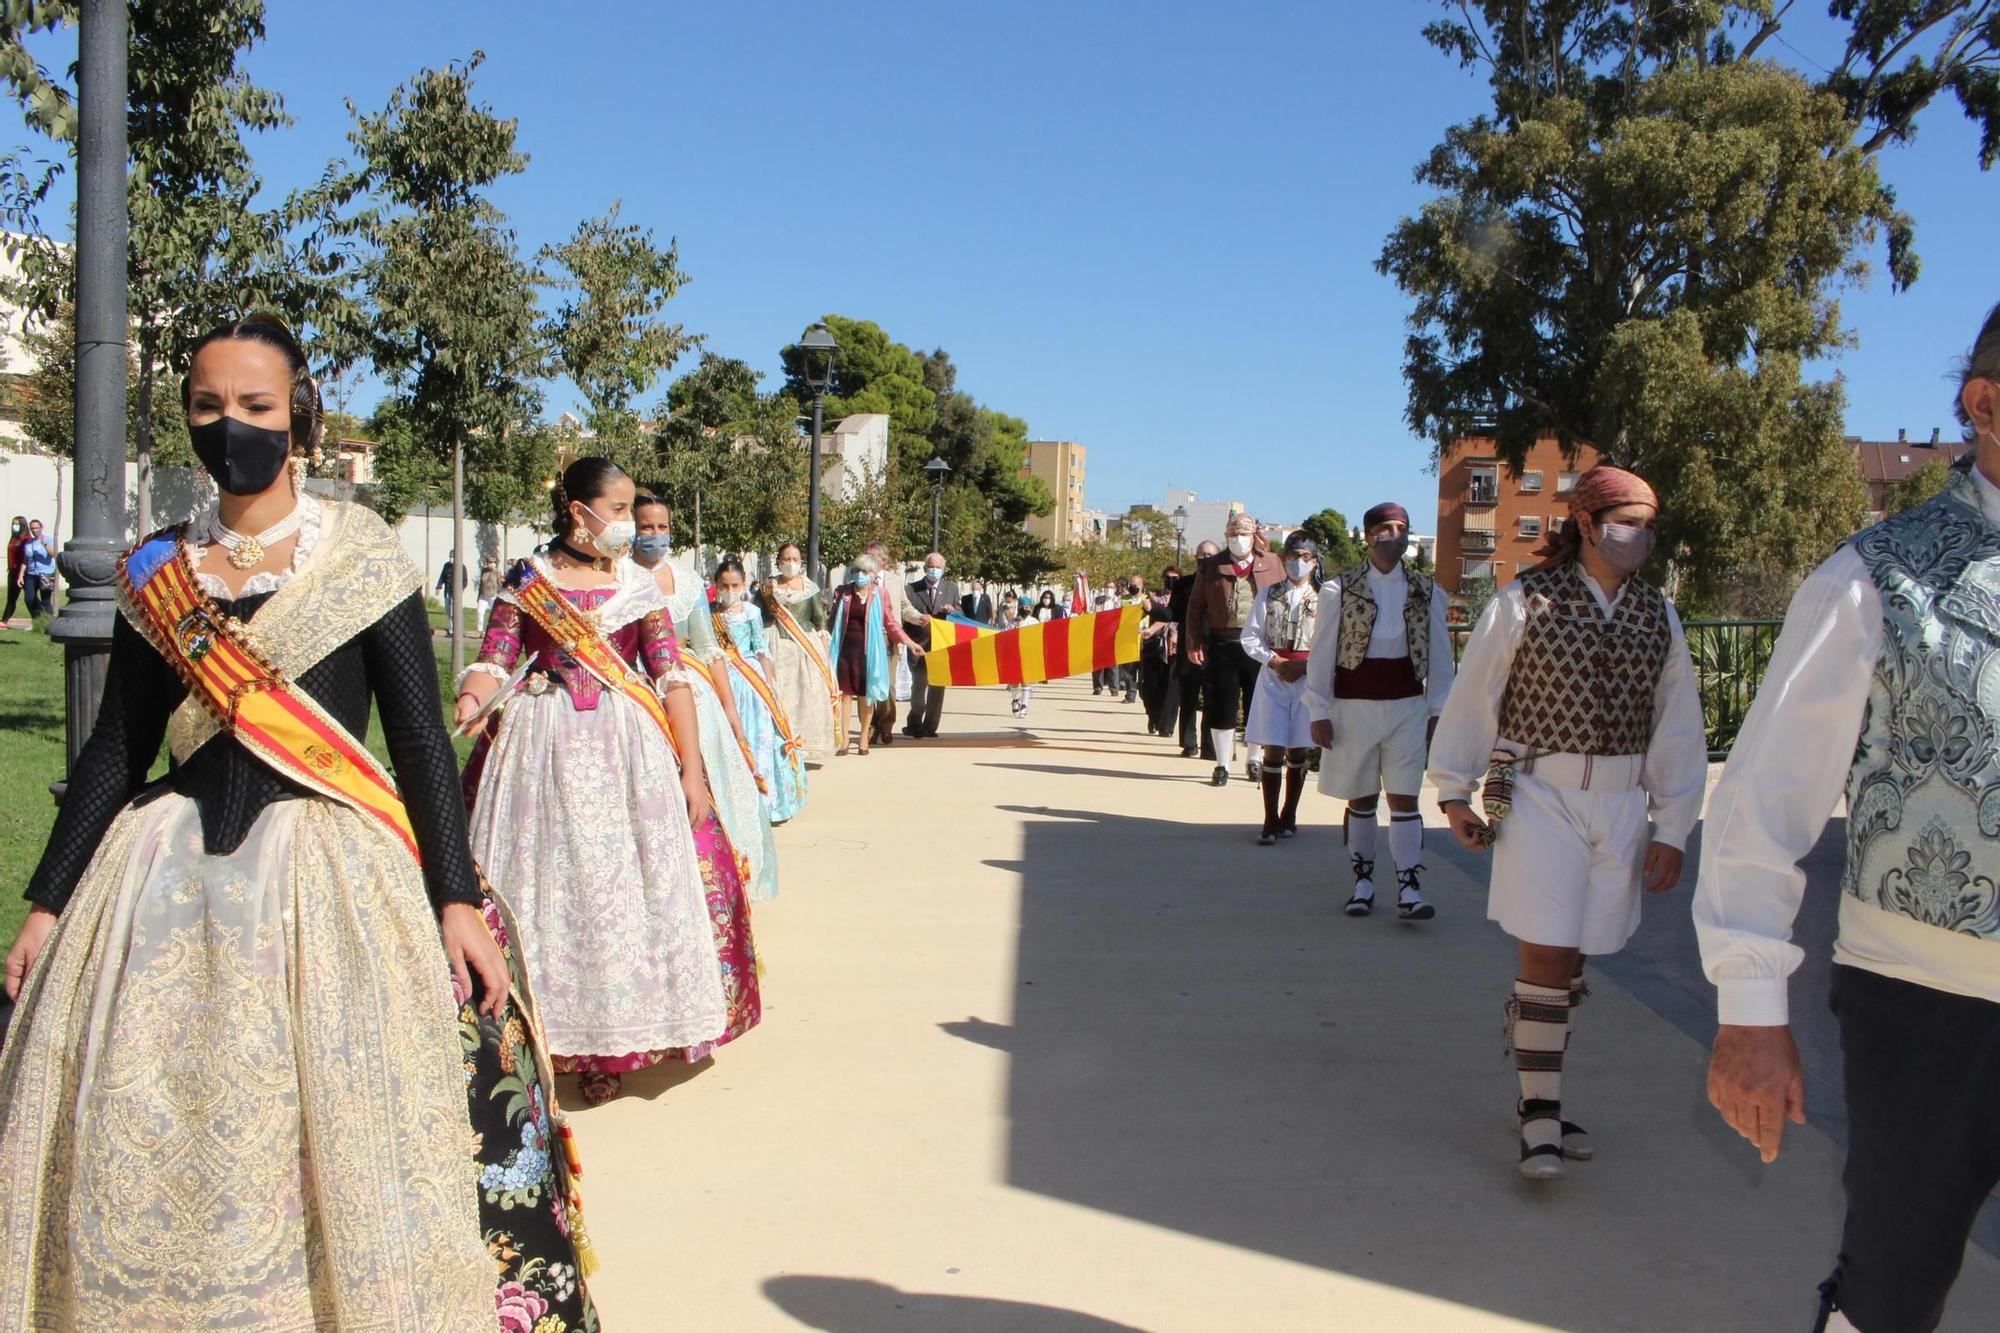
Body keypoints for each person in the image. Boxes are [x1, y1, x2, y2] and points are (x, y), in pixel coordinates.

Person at [0, 314, 595, 1328]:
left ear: (298, 420)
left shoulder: (362, 558)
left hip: (330, 881)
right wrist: (47, 903)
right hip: (157, 881)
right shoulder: (159, 570)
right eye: (206, 405)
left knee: (341, 1129)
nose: (228, 425)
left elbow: (417, 745)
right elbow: (117, 747)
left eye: (254, 407)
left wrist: (454, 896)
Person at [1694, 303, 2000, 1333]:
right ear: (1984, 405)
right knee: (1891, 1287)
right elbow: (1764, 796)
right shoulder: (1872, 578)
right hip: (1929, 1003)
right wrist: (1747, 1009)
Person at [1429, 465, 1704, 1181]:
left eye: (1648, 525)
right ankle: (1541, 1118)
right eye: (1627, 522)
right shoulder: (1525, 601)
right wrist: (1454, 790)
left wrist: (1674, 824)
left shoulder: (1657, 614)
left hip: (1620, 804)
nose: (1639, 537)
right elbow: (1476, 693)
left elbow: (1679, 725)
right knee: (1547, 952)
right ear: (1586, 522)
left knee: (1580, 953)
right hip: (1541, 796)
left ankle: (1538, 1093)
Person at [458, 457, 755, 1106]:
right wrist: (470, 698)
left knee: (619, 895)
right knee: (547, 892)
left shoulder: (637, 587)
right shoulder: (529, 580)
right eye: (618, 510)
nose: (628, 524)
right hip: (541, 754)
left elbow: (671, 675)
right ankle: (543, 1036)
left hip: (628, 753)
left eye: (628, 511)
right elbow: (495, 657)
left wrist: (693, 768)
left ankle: (609, 1045)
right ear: (578, 511)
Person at [1304, 503, 1456, 918]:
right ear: (1368, 535)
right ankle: (1364, 881)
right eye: (1386, 528)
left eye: (1402, 528)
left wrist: (1438, 712)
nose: (1395, 535)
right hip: (1353, 705)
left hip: (1408, 704)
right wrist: (1318, 708)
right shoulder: (1340, 588)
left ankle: (1410, 886)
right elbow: (1322, 655)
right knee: (1363, 797)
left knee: (1405, 797)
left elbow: (1442, 656)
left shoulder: (1427, 590)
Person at [634, 497, 780, 903]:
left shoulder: (687, 581)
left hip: (691, 690)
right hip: (637, 690)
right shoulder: (619, 575)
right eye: (646, 527)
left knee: (712, 781)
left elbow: (708, 647)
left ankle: (717, 882)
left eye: (662, 527)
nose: (656, 536)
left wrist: (730, 710)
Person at [1186, 512, 1284, 787]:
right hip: (1222, 643)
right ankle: (1222, 764)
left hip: (1261, 646)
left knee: (1259, 705)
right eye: (1232, 535)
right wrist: (1193, 644)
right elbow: (1195, 608)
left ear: (1254, 537)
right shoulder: (1212, 566)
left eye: (1243, 534)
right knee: (1221, 705)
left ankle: (1254, 760)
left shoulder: (1273, 563)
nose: (1238, 540)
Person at [714, 556, 808, 822]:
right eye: (724, 585)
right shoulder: (710, 614)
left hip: (750, 681)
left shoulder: (751, 613)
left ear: (743, 584)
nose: (729, 591)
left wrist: (770, 685)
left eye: (734, 585)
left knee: (758, 738)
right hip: (720, 679)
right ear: (716, 584)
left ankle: (763, 801)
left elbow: (761, 648)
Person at [1244, 533, 1323, 845]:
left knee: (1298, 747)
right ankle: (1269, 817)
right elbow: (1251, 636)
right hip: (1274, 674)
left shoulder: (1326, 597)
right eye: (1292, 555)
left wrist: (1307, 666)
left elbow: (1332, 642)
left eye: (1305, 556)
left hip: (1308, 676)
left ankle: (1290, 812)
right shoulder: (1268, 594)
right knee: (1273, 745)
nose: (1298, 562)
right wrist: (1273, 661)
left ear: (1315, 561)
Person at [829, 553, 921, 755]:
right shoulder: (843, 593)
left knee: (866, 696)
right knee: (844, 695)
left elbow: (890, 622)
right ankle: (844, 739)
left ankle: (863, 737)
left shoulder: (880, 594)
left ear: (873, 574)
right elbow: (832, 621)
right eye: (857, 571)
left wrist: (908, 641)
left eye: (865, 571)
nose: (860, 575)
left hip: (868, 652)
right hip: (845, 650)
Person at [760, 540, 839, 764]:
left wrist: (823, 655)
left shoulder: (810, 588)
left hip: (804, 647)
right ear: (778, 561)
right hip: (775, 645)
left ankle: (805, 746)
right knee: (780, 694)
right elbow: (757, 617)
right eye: (786, 559)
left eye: (795, 559)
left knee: (806, 696)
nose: (791, 563)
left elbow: (820, 621)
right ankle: (779, 743)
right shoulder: (768, 588)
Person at [901, 552, 960, 739]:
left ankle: (930, 726)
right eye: (931, 567)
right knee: (919, 687)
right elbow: (905, 614)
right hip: (919, 645)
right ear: (925, 568)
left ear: (943, 569)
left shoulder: (951, 589)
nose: (934, 570)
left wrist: (953, 610)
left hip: (942, 646)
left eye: (938, 567)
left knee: (937, 689)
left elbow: (960, 613)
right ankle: (914, 723)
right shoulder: (911, 589)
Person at [1169, 544, 1216, 758]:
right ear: (1195, 557)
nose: (1205, 558)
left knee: (1213, 699)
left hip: (1215, 649)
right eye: (1201, 554)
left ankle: (1210, 746)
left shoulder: (1223, 583)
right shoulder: (1184, 584)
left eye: (1210, 554)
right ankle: (1189, 743)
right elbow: (1172, 613)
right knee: (1188, 698)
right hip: (1188, 648)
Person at [867, 541, 905, 746]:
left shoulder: (896, 581)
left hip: (890, 641)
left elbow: (904, 607)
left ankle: (886, 724)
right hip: (868, 640)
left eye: (873, 557)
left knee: (888, 686)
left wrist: (919, 618)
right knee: (870, 685)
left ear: (884, 560)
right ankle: (871, 726)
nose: (869, 561)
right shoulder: (860, 580)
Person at [1140, 569, 1181, 735]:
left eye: (1175, 578)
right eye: (1168, 578)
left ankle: (1166, 726)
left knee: (1171, 688)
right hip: (1154, 647)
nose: (1171, 581)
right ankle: (1153, 716)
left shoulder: (1185, 598)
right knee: (1149, 687)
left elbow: (1176, 617)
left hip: (1175, 648)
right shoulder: (1152, 599)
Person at [19, 520, 54, 620]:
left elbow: (53, 554)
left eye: (36, 528)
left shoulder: (49, 539)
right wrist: (21, 575)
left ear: (41, 527)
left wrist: (45, 544)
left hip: (46, 573)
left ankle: (48, 623)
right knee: (29, 599)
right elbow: (25, 560)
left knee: (45, 600)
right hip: (31, 573)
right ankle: (37, 619)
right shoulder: (29, 543)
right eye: (32, 528)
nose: (34, 530)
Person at [2, 516, 25, 625]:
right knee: (11, 598)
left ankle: (40, 617)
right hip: (12, 571)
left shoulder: (25, 539)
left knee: (30, 598)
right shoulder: (14, 538)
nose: (14, 526)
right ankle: (4, 620)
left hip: (22, 572)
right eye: (13, 524)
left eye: (16, 524)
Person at [435, 555, 464, 623]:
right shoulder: (446, 565)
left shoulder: (461, 566)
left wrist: (462, 589)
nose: (451, 558)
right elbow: (442, 577)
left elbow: (465, 579)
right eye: (450, 556)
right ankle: (451, 624)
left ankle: (453, 628)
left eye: (453, 557)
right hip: (447, 591)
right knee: (447, 609)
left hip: (456, 592)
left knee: (454, 610)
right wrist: (438, 587)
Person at [474, 553, 501, 629]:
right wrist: (478, 596)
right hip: (483, 595)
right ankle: (480, 630)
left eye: (494, 562)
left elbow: (500, 583)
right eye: (490, 562)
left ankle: (495, 629)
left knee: (495, 614)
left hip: (493, 595)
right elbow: (481, 584)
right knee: (480, 612)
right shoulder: (484, 571)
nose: (492, 564)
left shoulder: (497, 571)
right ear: (487, 562)